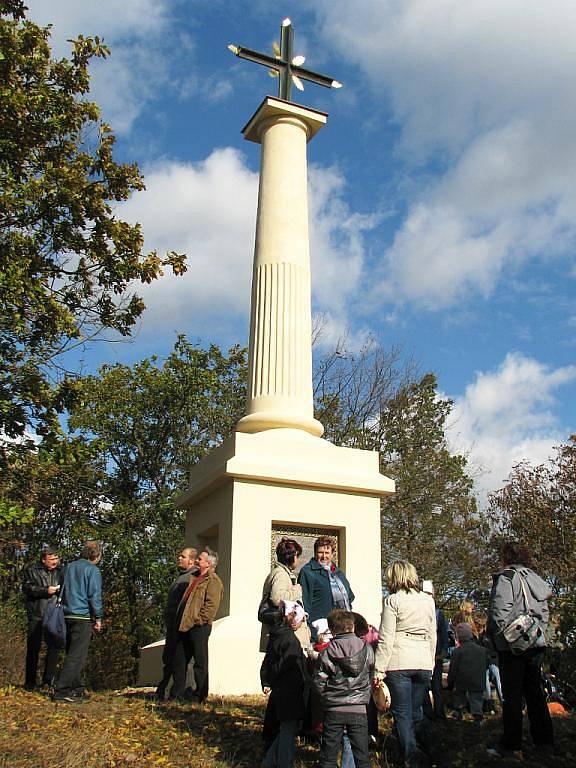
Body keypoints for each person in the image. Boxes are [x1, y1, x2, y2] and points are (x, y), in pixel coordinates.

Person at [486, 541, 554, 760]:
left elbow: (498, 614)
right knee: (535, 694)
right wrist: (537, 633)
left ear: (505, 556)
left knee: (512, 697)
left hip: (512, 647)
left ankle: (511, 744)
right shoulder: (535, 578)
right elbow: (544, 613)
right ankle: (544, 741)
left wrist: (503, 638)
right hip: (535, 643)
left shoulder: (507, 578)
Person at [373, 560, 436, 768]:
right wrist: (431, 662)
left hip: (400, 660)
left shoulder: (392, 601)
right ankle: (428, 751)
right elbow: (432, 634)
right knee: (417, 711)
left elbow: (386, 637)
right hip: (423, 660)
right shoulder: (427, 601)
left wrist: (379, 669)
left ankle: (411, 757)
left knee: (402, 714)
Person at [312, 609, 373, 768]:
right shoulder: (367, 649)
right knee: (362, 757)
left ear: (332, 629)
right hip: (359, 707)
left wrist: (327, 698)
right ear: (352, 626)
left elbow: (318, 681)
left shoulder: (327, 652)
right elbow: (370, 675)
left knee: (328, 757)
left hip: (334, 709)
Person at [52, 541, 103, 703]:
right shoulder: (92, 570)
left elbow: (61, 589)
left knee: (71, 652)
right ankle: (62, 690)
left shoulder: (68, 568)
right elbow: (94, 595)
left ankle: (77, 688)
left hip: (65, 615)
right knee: (77, 655)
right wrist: (98, 617)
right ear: (96, 555)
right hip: (82, 616)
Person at [261, 600, 309, 768]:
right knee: (288, 730)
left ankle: (269, 761)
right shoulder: (289, 640)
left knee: (286, 729)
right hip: (290, 690)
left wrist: (267, 680)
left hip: (282, 689)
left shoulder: (277, 635)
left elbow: (268, 662)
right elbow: (285, 665)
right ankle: (283, 763)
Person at [178, 547, 224, 703]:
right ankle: (181, 692)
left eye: (201, 559)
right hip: (187, 625)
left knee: (200, 661)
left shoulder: (213, 581)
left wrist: (197, 621)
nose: (197, 560)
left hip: (199, 627)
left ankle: (200, 694)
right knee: (182, 660)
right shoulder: (194, 577)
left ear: (209, 564)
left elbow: (211, 606)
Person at [155, 547, 199, 701]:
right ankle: (166, 690)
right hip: (173, 625)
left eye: (183, 556)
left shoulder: (190, 578)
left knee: (181, 661)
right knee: (170, 659)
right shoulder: (182, 577)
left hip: (181, 626)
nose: (179, 558)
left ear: (192, 561)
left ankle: (183, 692)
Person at [21, 547, 63, 690]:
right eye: (51, 559)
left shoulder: (60, 572)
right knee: (33, 648)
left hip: (54, 613)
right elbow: (27, 589)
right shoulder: (32, 570)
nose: (55, 562)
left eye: (56, 559)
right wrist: (46, 590)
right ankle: (30, 682)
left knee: (54, 648)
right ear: (44, 559)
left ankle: (48, 681)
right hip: (37, 614)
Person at [260, 537, 310, 652]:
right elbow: (277, 598)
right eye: (297, 556)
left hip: (285, 639)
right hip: (284, 639)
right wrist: (296, 591)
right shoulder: (281, 574)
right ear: (292, 556)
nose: (298, 560)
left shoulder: (283, 573)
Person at [298, 537, 354, 629]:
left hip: (341, 626)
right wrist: (310, 629)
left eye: (327, 553)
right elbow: (304, 602)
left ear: (332, 554)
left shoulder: (338, 574)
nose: (324, 556)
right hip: (319, 626)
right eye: (320, 552)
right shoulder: (307, 572)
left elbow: (349, 597)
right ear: (315, 553)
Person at [447, 623, 488, 723]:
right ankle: (478, 718)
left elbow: (453, 669)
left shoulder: (457, 652)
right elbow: (487, 664)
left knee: (459, 697)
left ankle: (458, 713)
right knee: (476, 700)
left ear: (459, 637)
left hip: (462, 681)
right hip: (478, 680)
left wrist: (450, 681)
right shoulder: (482, 651)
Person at [422, 580, 449, 720]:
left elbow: (444, 633)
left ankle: (439, 713)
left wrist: (443, 651)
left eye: (429, 594)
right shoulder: (418, 611)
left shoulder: (438, 613)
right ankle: (427, 714)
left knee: (436, 686)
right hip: (423, 655)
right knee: (424, 687)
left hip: (436, 655)